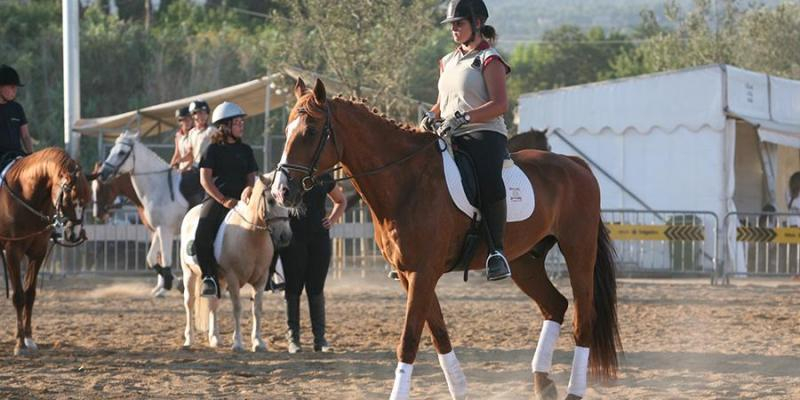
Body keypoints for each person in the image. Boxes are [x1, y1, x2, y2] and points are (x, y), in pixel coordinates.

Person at [419, 0, 512, 281]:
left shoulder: (489, 59)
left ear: (478, 23)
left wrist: (465, 118)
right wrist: (429, 116)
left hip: (484, 132)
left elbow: (499, 104)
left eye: (459, 24)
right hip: (449, 131)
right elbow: (441, 104)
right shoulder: (447, 61)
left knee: (486, 176)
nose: (454, 29)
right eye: (452, 25)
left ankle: (496, 252)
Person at [195, 101, 258, 297]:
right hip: (217, 199)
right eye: (238, 122)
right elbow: (205, 180)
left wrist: (248, 190)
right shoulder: (212, 149)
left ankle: (270, 274)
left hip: (243, 201)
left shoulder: (246, 150)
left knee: (270, 227)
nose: (242, 126)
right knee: (202, 234)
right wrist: (223, 200)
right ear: (225, 126)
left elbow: (251, 178)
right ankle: (209, 278)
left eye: (241, 122)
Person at [282, 174, 346, 353]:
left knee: (316, 288)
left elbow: (341, 201)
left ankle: (320, 339)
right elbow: (275, 200)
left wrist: (332, 220)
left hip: (319, 238)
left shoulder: (324, 177)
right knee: (293, 288)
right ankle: (293, 339)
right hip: (294, 238)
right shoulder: (288, 176)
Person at [0, 64, 33, 166]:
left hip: (17, 156)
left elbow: (25, 136)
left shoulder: (17, 108)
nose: (15, 90)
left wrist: (32, 155)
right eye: (11, 87)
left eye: (16, 87)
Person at [187, 99, 217, 166]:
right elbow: (190, 154)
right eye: (200, 113)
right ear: (193, 115)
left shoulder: (212, 130)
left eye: (205, 113)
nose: (203, 116)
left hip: (208, 169)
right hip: (195, 168)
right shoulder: (191, 133)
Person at [169, 106, 194, 170]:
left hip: (193, 168)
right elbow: (177, 154)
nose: (188, 122)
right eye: (185, 120)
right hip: (182, 169)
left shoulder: (194, 134)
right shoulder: (178, 136)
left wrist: (183, 169)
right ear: (180, 121)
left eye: (189, 119)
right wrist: (170, 167)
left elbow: (192, 156)